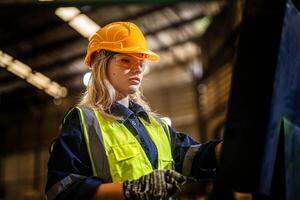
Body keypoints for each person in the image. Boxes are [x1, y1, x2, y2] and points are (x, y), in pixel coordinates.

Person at [45, 21, 222, 200]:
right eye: (126, 60)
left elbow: (194, 156)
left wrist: (229, 147)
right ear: (101, 63)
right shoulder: (83, 121)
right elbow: (61, 190)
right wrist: (129, 191)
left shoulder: (154, 125)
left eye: (141, 62)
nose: (138, 68)